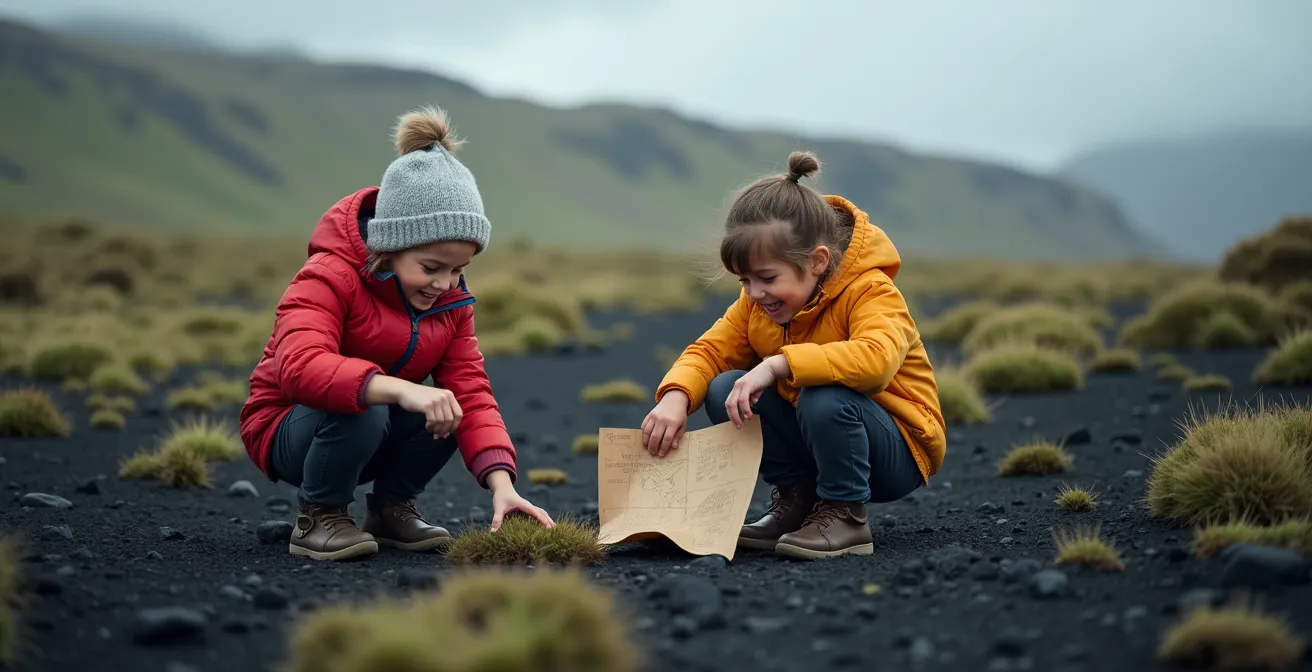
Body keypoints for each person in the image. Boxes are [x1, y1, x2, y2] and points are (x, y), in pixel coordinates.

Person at [239, 106, 554, 562]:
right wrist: (399, 390)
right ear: (390, 245)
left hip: (371, 423)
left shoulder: (451, 303)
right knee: (366, 403)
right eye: (431, 267)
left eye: (458, 269)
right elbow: (298, 367)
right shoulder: (327, 275)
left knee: (451, 405)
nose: (445, 284)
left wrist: (502, 486)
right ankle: (318, 514)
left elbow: (472, 389)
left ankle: (389, 510)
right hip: (288, 428)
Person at [641, 151, 946, 560]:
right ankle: (797, 504)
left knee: (823, 392)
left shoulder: (871, 291)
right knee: (724, 388)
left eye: (767, 278)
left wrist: (777, 364)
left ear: (817, 261)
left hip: (897, 450)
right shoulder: (756, 303)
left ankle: (845, 515)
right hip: (821, 432)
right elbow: (712, 350)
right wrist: (675, 398)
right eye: (745, 280)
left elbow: (876, 362)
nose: (754, 293)